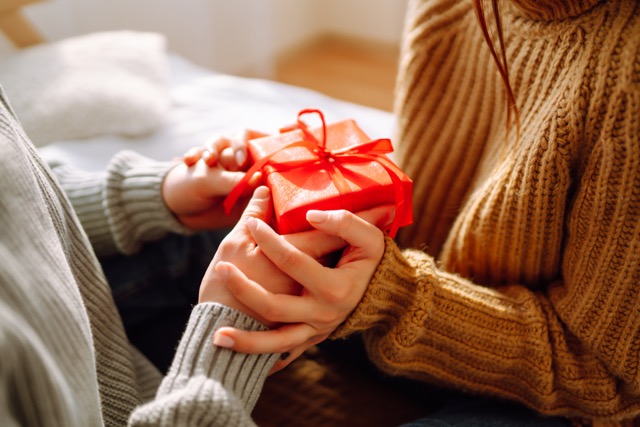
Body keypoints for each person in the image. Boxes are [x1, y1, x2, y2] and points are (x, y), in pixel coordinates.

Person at [204, 0, 640, 425]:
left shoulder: (627, 72)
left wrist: (391, 297)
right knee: (192, 246)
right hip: (408, 306)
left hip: (559, 395)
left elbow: (610, 379)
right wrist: (302, 179)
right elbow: (437, 168)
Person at [0, 82, 381, 426]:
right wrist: (224, 343)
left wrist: (148, 197)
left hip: (94, 321)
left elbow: (18, 200)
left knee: (317, 251)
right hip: (139, 396)